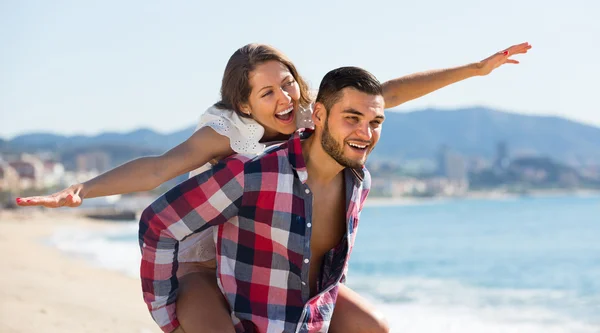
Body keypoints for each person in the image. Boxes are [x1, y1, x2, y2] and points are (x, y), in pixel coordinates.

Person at [16, 42, 532, 333]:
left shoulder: (311, 119)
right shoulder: (227, 135)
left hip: (275, 253)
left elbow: (386, 94)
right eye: (268, 92)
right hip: (203, 252)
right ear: (244, 106)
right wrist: (81, 190)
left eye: (288, 82)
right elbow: (158, 170)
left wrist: (475, 69)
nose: (285, 98)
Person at [140, 66, 385, 333]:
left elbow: (331, 274)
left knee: (374, 327)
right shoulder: (253, 174)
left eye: (375, 123)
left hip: (310, 324)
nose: (366, 133)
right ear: (319, 115)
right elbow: (159, 223)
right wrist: (168, 320)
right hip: (252, 325)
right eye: (352, 118)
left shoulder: (359, 183)